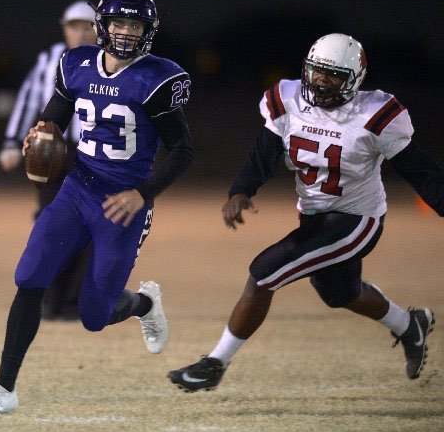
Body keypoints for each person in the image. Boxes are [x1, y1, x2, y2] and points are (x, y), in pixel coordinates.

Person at [0, 0, 193, 419]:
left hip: (121, 204)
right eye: (119, 23)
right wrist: (42, 130)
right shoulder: (77, 64)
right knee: (29, 278)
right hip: (76, 189)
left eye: (135, 24)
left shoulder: (157, 79)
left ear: (148, 30)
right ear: (102, 26)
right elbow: (56, 113)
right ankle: (4, 390)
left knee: (93, 315)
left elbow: (183, 151)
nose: (126, 32)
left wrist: (142, 194)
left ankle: (144, 304)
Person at [168, 33, 442, 392]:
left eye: (333, 76)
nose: (321, 82)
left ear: (354, 79)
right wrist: (241, 190)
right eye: (316, 72)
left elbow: (422, 173)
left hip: (356, 220)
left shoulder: (374, 115)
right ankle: (409, 325)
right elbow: (264, 153)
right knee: (340, 294)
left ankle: (214, 364)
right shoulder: (288, 100)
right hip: (314, 215)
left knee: (264, 273)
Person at [0, 0, 97, 320]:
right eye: (74, 26)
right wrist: (12, 142)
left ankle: (72, 302)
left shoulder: (110, 61)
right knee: (50, 224)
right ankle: (48, 298)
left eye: (87, 26)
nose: (80, 33)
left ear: (98, 29)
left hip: (94, 155)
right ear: (64, 28)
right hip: (51, 154)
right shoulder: (47, 60)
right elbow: (28, 101)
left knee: (91, 226)